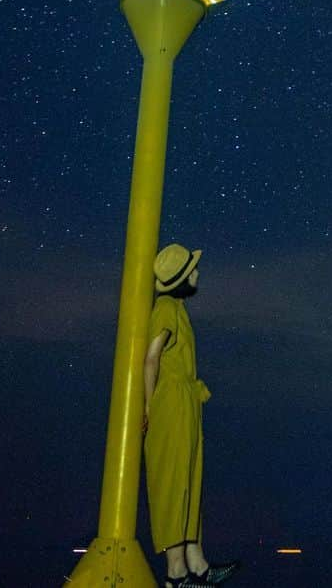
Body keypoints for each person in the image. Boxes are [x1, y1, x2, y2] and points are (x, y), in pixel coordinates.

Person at [143, 243, 240, 587]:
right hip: (170, 403)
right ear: (181, 278)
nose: (197, 274)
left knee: (189, 480)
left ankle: (196, 564)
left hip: (185, 401)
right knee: (172, 481)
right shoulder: (167, 307)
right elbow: (151, 356)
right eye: (192, 270)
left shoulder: (178, 308)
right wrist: (147, 406)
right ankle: (176, 574)